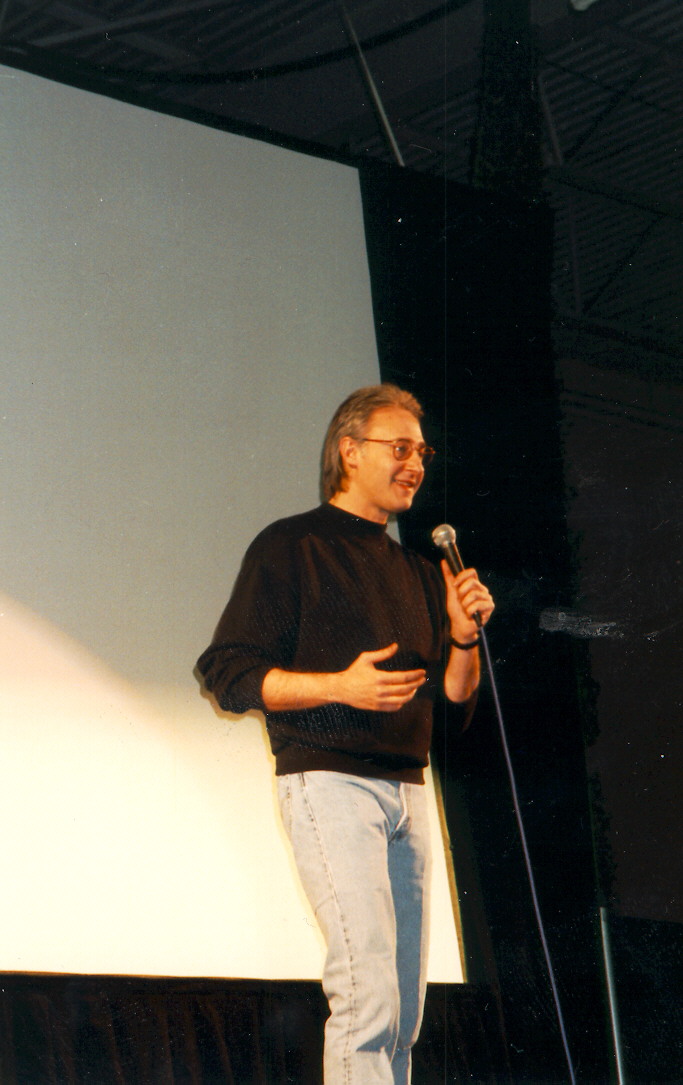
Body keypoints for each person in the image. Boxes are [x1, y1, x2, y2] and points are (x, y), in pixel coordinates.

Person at [196, 383, 494, 1084]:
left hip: (408, 793)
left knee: (404, 1012)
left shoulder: (420, 571)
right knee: (368, 997)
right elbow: (226, 672)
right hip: (329, 781)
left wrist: (462, 636)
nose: (415, 464)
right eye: (400, 448)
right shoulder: (291, 546)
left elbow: (455, 703)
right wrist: (338, 685)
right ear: (349, 451)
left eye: (421, 452)